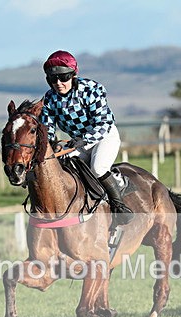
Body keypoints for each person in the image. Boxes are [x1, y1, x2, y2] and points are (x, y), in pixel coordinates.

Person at [40, 50, 133, 227]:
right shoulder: (50, 98)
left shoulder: (91, 89)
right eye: (53, 79)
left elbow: (103, 123)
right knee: (62, 169)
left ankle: (119, 206)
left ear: (74, 75)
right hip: (78, 142)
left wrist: (84, 140)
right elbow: (47, 126)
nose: (58, 83)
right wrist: (52, 144)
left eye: (64, 77)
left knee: (97, 169)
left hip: (103, 137)